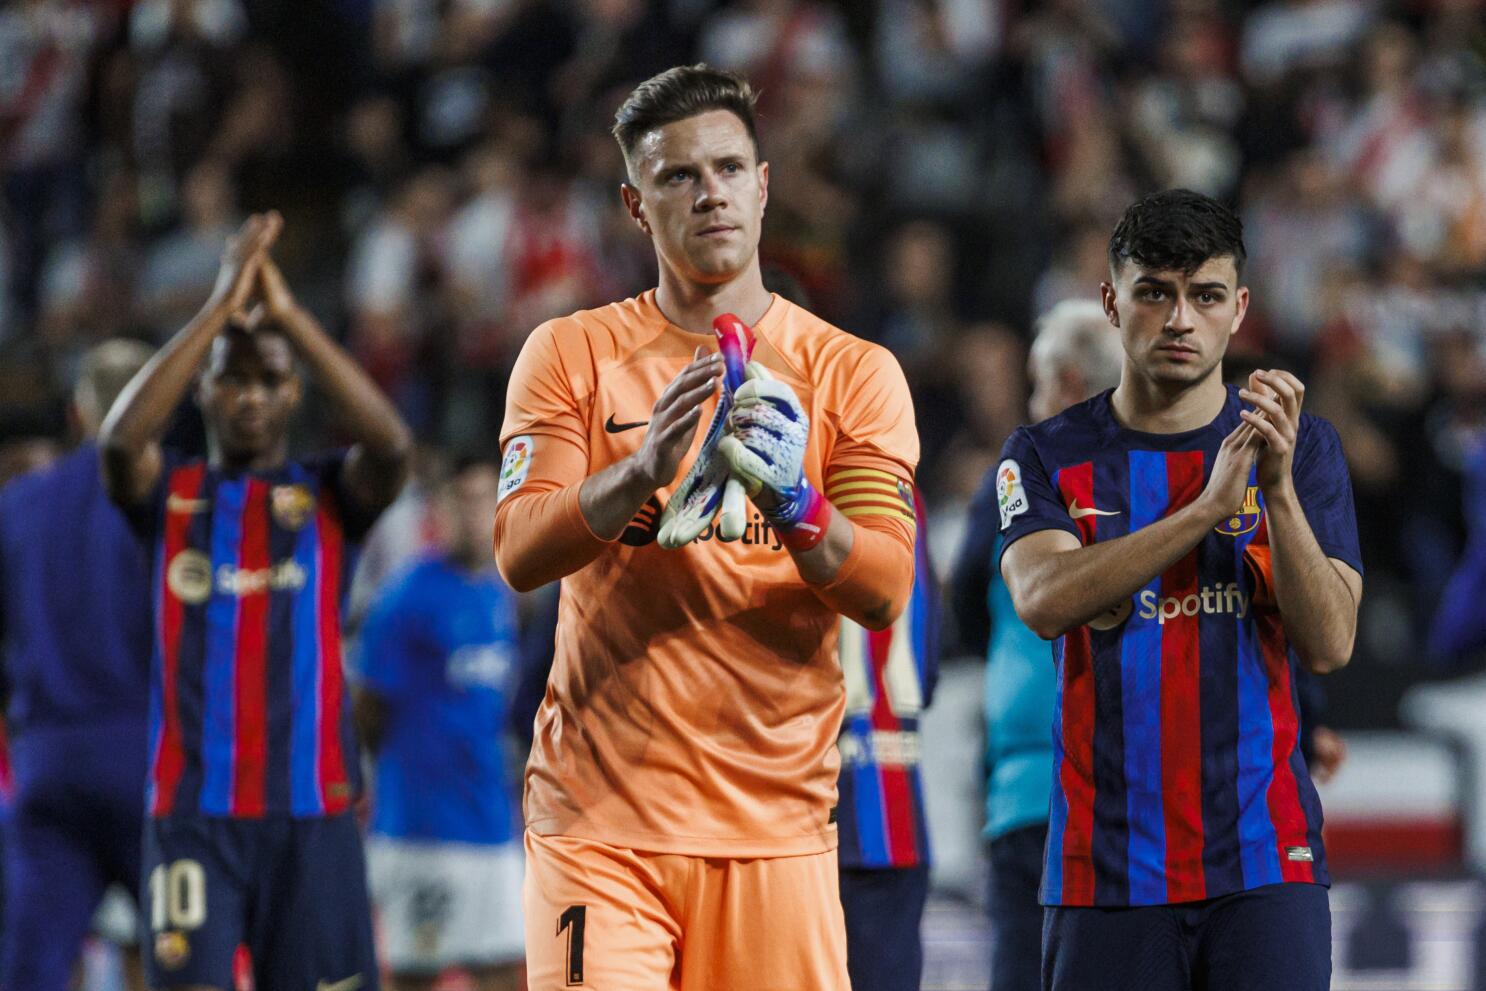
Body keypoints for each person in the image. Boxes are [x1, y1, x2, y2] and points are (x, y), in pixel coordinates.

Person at [493, 64, 920, 990]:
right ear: (635, 205)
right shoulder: (570, 352)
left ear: (765, 186)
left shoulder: (854, 373)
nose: (710, 191)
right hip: (599, 821)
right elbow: (521, 550)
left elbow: (884, 588)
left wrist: (798, 509)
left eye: (729, 168)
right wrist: (641, 472)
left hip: (775, 828)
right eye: (678, 175)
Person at [996, 189, 1362, 991]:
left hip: (1267, 864)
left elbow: (1330, 642)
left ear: (1239, 309)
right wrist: (1204, 511)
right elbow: (1043, 597)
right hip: (1108, 871)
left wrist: (1278, 494)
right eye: (1154, 292)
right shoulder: (1046, 450)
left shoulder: (1301, 449)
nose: (1179, 320)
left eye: (1203, 296)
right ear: (1111, 301)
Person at [99, 212, 412, 991]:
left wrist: (291, 319)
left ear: (294, 390)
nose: (250, 396)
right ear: (204, 389)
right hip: (192, 815)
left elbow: (393, 447)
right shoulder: (170, 494)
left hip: (314, 813)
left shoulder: (330, 493)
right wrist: (219, 306)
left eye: (269, 379)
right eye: (232, 377)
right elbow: (116, 444)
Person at [952, 299, 1123, 991]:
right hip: (1127, 786)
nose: (1030, 403)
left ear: (1068, 384)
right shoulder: (1156, 481)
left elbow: (964, 598)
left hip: (1033, 790)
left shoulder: (1016, 481)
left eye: (1037, 383)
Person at [0, 339, 155, 991]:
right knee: (189, 962)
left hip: (47, 764)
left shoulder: (15, 506)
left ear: (76, 414)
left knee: (31, 969)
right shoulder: (181, 500)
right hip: (154, 767)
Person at [355, 455, 526, 991]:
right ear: (440, 509)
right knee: (413, 977)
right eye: (465, 499)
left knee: (505, 970)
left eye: (487, 499)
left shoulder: (500, 595)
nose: (477, 514)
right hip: (420, 831)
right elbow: (367, 710)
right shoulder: (405, 598)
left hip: (489, 824)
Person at [835, 492, 939, 991]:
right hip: (897, 817)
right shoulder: (907, 498)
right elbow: (933, 662)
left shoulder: (790, 484)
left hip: (805, 818)